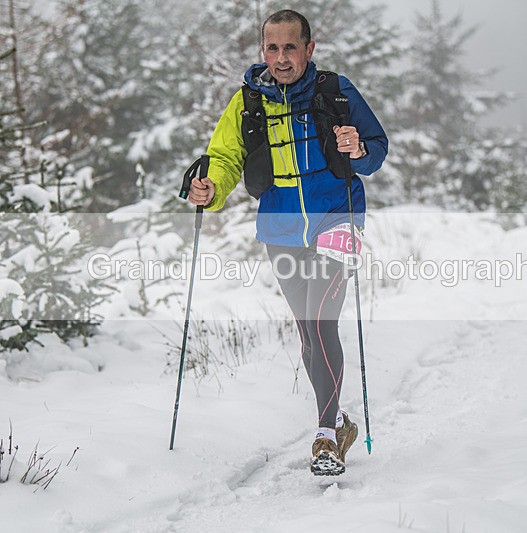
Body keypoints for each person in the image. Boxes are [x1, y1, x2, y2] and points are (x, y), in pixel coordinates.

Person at [187, 9, 388, 476]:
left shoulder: (335, 91)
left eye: (290, 47)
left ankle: (325, 436)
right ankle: (338, 423)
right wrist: (211, 189)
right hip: (279, 230)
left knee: (320, 323)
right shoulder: (247, 102)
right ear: (263, 50)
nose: (281, 57)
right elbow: (224, 157)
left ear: (309, 49)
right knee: (307, 333)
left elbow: (376, 147)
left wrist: (358, 148)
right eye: (272, 47)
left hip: (337, 218)